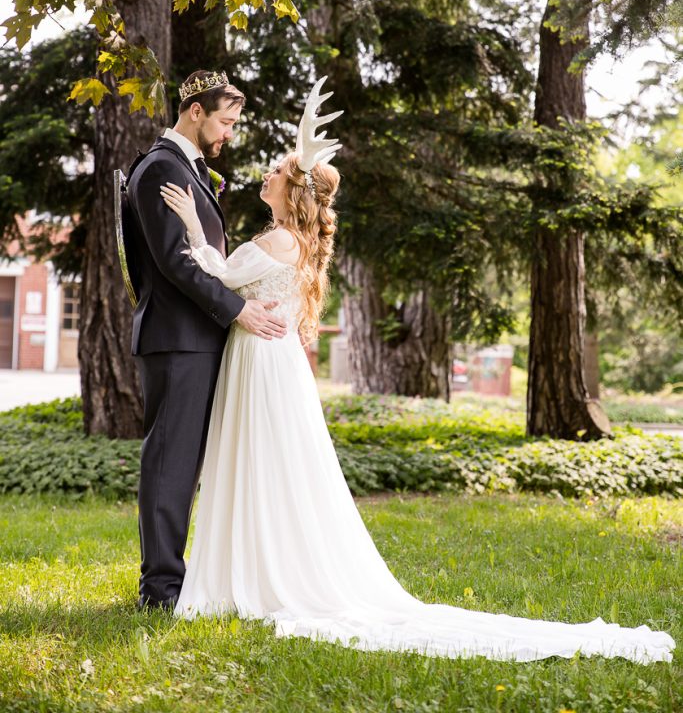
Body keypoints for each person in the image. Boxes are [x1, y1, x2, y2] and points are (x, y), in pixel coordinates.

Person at [158, 78, 674, 663]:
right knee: (271, 463)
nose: (268, 174)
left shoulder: (276, 242)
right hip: (275, 364)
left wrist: (193, 225)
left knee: (255, 458)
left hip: (260, 360)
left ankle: (251, 572)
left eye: (277, 169)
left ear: (292, 189)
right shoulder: (293, 242)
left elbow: (219, 274)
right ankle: (259, 565)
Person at [123, 69, 287, 612]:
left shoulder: (188, 170)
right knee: (170, 463)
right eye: (226, 121)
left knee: (186, 465)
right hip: (178, 339)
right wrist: (238, 310)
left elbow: (203, 254)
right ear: (196, 112)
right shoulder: (160, 169)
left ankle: (181, 580)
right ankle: (160, 589)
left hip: (197, 337)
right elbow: (175, 263)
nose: (229, 133)